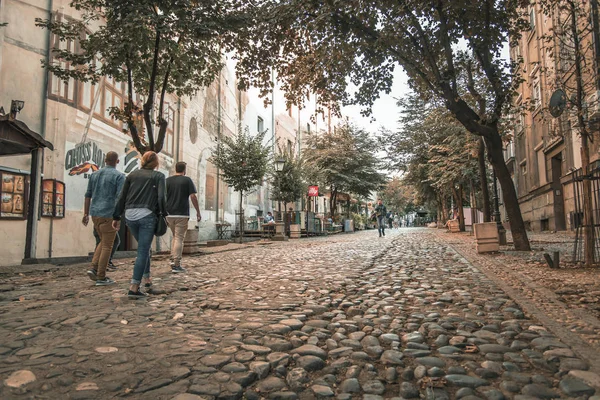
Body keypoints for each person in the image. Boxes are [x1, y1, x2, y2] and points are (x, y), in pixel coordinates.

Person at [113, 151, 166, 299]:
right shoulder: (158, 176)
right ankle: (134, 287)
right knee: (143, 250)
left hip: (130, 215)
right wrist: (163, 213)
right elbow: (161, 197)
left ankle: (147, 279)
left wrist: (116, 216)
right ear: (156, 163)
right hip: (147, 214)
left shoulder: (131, 175)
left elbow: (122, 196)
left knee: (145, 248)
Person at [82, 151, 125, 286]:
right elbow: (120, 197)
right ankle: (101, 276)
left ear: (105, 160)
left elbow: (88, 195)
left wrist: (86, 213)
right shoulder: (119, 176)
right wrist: (118, 216)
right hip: (109, 214)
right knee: (107, 245)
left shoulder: (94, 174)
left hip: (95, 214)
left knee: (103, 241)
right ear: (117, 161)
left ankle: (94, 267)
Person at [166, 161, 201, 273]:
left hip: (169, 214)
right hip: (181, 213)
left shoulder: (167, 180)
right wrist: (198, 211)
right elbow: (193, 197)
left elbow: (162, 196)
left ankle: (173, 259)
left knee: (175, 237)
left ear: (176, 169)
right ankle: (176, 264)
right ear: (184, 169)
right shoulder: (187, 180)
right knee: (179, 238)